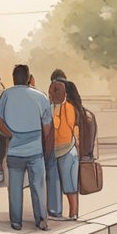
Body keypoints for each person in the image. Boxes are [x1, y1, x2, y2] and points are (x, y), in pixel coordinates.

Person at [0, 64, 54, 231]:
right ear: (28, 78)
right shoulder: (40, 96)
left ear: (14, 78)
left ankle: (16, 221)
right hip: (35, 149)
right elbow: (47, 127)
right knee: (38, 186)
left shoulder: (6, 95)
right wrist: (41, 140)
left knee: (14, 188)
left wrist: (11, 134)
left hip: (14, 149)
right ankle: (41, 219)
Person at [48, 79, 82, 221]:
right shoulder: (50, 107)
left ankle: (73, 213)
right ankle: (55, 212)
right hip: (55, 150)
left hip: (67, 150)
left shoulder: (68, 108)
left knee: (69, 184)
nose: (52, 95)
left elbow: (72, 129)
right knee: (54, 183)